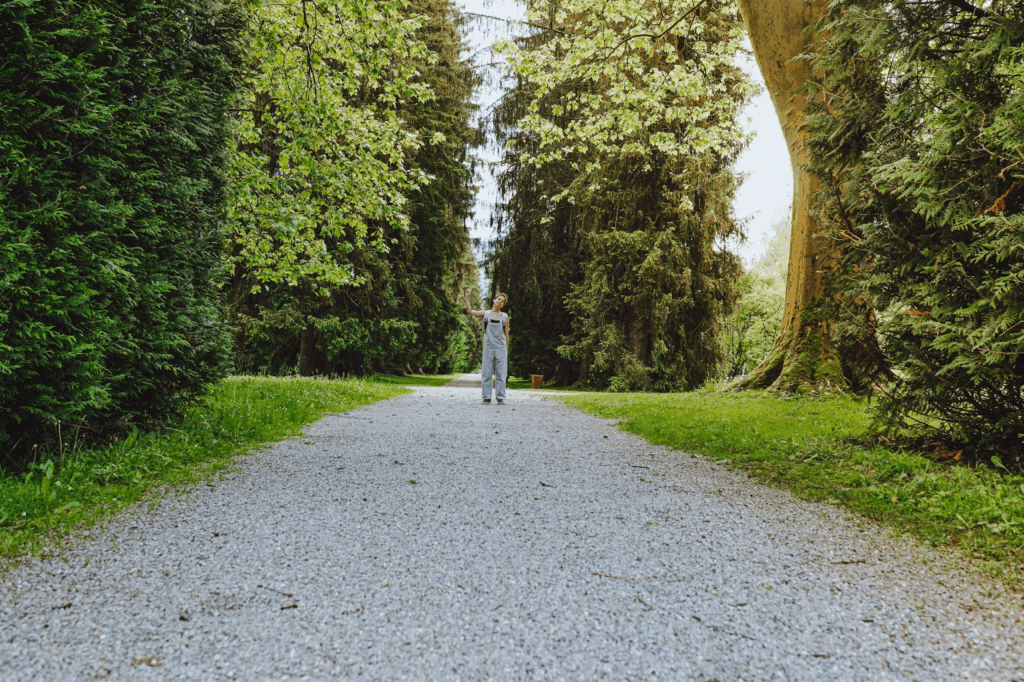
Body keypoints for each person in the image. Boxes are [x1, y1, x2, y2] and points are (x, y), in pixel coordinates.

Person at [465, 288, 510, 404]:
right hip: (489, 346)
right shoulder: (486, 314)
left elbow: (506, 335)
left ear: (503, 305)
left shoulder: (505, 317)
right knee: (486, 371)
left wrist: (506, 349)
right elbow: (470, 312)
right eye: (499, 299)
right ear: (494, 300)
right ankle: (486, 397)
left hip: (500, 347)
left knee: (501, 372)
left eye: (503, 301)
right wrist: (467, 297)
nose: (500, 301)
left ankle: (500, 397)